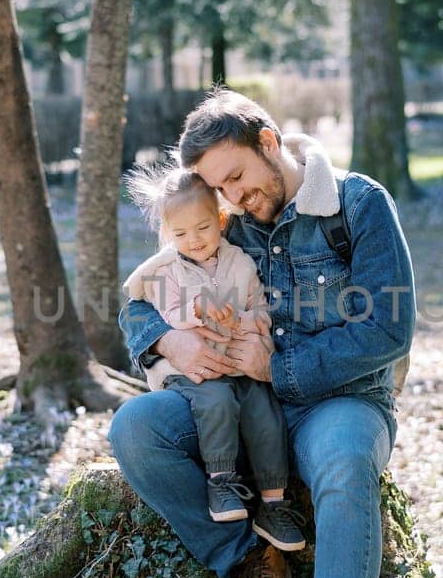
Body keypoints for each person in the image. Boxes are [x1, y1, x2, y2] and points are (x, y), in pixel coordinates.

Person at [109, 89, 415, 578]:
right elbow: (145, 292)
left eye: (239, 179)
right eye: (218, 189)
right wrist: (166, 344)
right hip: (237, 401)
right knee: (135, 430)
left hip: (338, 401)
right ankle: (254, 557)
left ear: (270, 144)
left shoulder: (359, 206)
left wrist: (281, 365)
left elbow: (389, 330)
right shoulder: (226, 218)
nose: (233, 201)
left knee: (341, 466)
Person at [121, 165, 305, 550]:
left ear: (220, 219)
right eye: (181, 233)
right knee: (217, 400)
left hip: (239, 363)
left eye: (203, 228)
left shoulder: (240, 261)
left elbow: (261, 307)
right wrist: (199, 308)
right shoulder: (163, 269)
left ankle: (274, 503)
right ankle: (221, 483)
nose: (194, 240)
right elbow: (168, 313)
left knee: (263, 410)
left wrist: (251, 322)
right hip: (193, 371)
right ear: (167, 234)